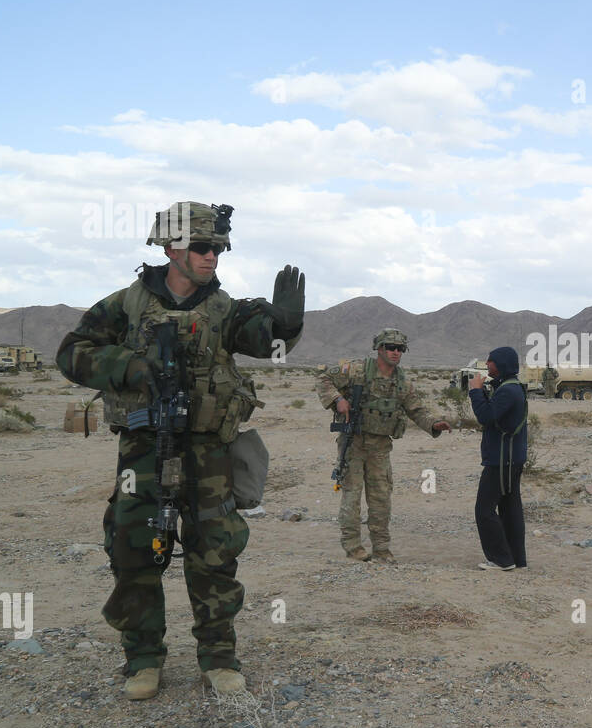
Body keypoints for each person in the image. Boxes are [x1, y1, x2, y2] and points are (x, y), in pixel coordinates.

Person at [57, 202, 305, 700]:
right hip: (142, 452)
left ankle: (218, 658)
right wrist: (130, 366)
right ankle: (143, 659)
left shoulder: (226, 309)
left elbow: (267, 344)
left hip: (210, 454)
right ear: (170, 248)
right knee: (133, 551)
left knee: (215, 553)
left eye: (219, 247)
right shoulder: (125, 306)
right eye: (202, 247)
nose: (213, 256)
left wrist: (286, 325)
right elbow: (71, 353)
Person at [315, 329, 450, 563]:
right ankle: (353, 547)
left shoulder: (402, 383)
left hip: (380, 447)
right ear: (379, 348)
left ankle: (381, 548)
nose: (396, 352)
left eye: (400, 348)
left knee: (381, 498)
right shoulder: (356, 370)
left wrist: (434, 424)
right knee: (352, 495)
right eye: (391, 347)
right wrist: (338, 400)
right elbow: (323, 378)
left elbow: (416, 410)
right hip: (354, 442)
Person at [469, 346, 529, 571]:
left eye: (491, 361)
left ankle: (501, 559)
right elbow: (495, 414)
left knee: (484, 510)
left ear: (501, 364)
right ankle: (516, 558)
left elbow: (485, 417)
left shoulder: (507, 391)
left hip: (501, 461)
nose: (486, 364)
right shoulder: (510, 387)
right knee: (510, 508)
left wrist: (475, 391)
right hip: (511, 459)